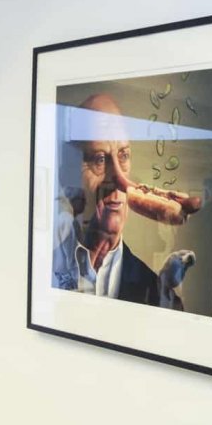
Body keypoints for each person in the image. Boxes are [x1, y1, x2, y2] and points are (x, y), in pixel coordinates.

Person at [52, 93, 159, 305]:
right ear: (67, 175)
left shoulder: (158, 295)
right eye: (99, 159)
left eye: (124, 156)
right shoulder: (41, 269)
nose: (119, 180)